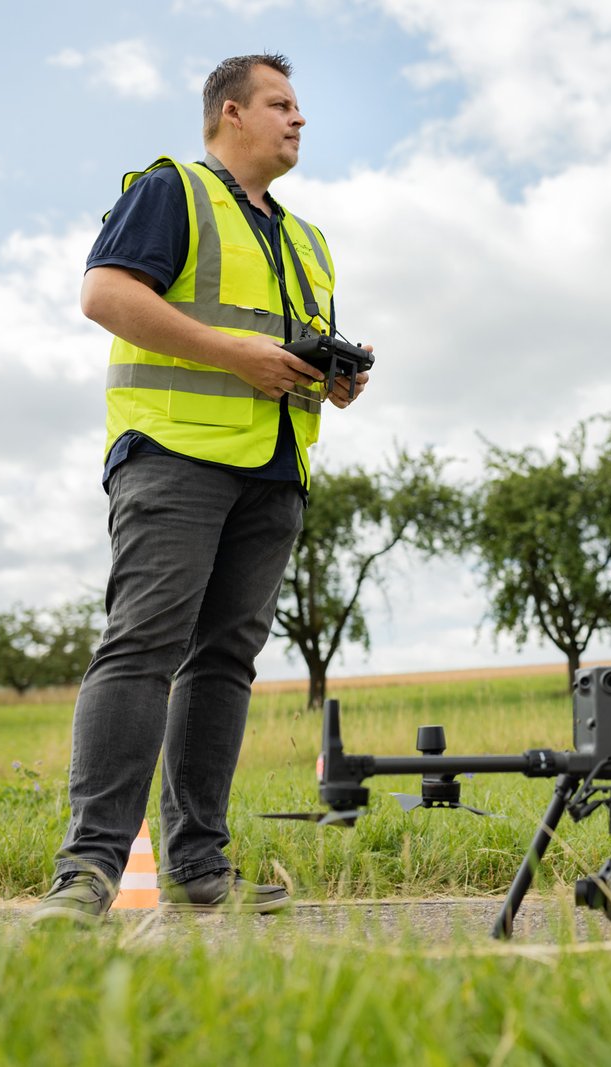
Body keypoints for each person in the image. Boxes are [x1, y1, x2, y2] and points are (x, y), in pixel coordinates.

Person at [32, 54, 368, 925]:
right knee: (143, 646)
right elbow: (105, 295)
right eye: (281, 104)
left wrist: (332, 377)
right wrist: (235, 356)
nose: (299, 119)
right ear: (231, 112)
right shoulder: (173, 190)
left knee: (224, 663)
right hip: (174, 454)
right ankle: (88, 870)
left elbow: (282, 348)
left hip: (276, 466)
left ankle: (197, 866)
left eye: (300, 106)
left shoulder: (307, 240)